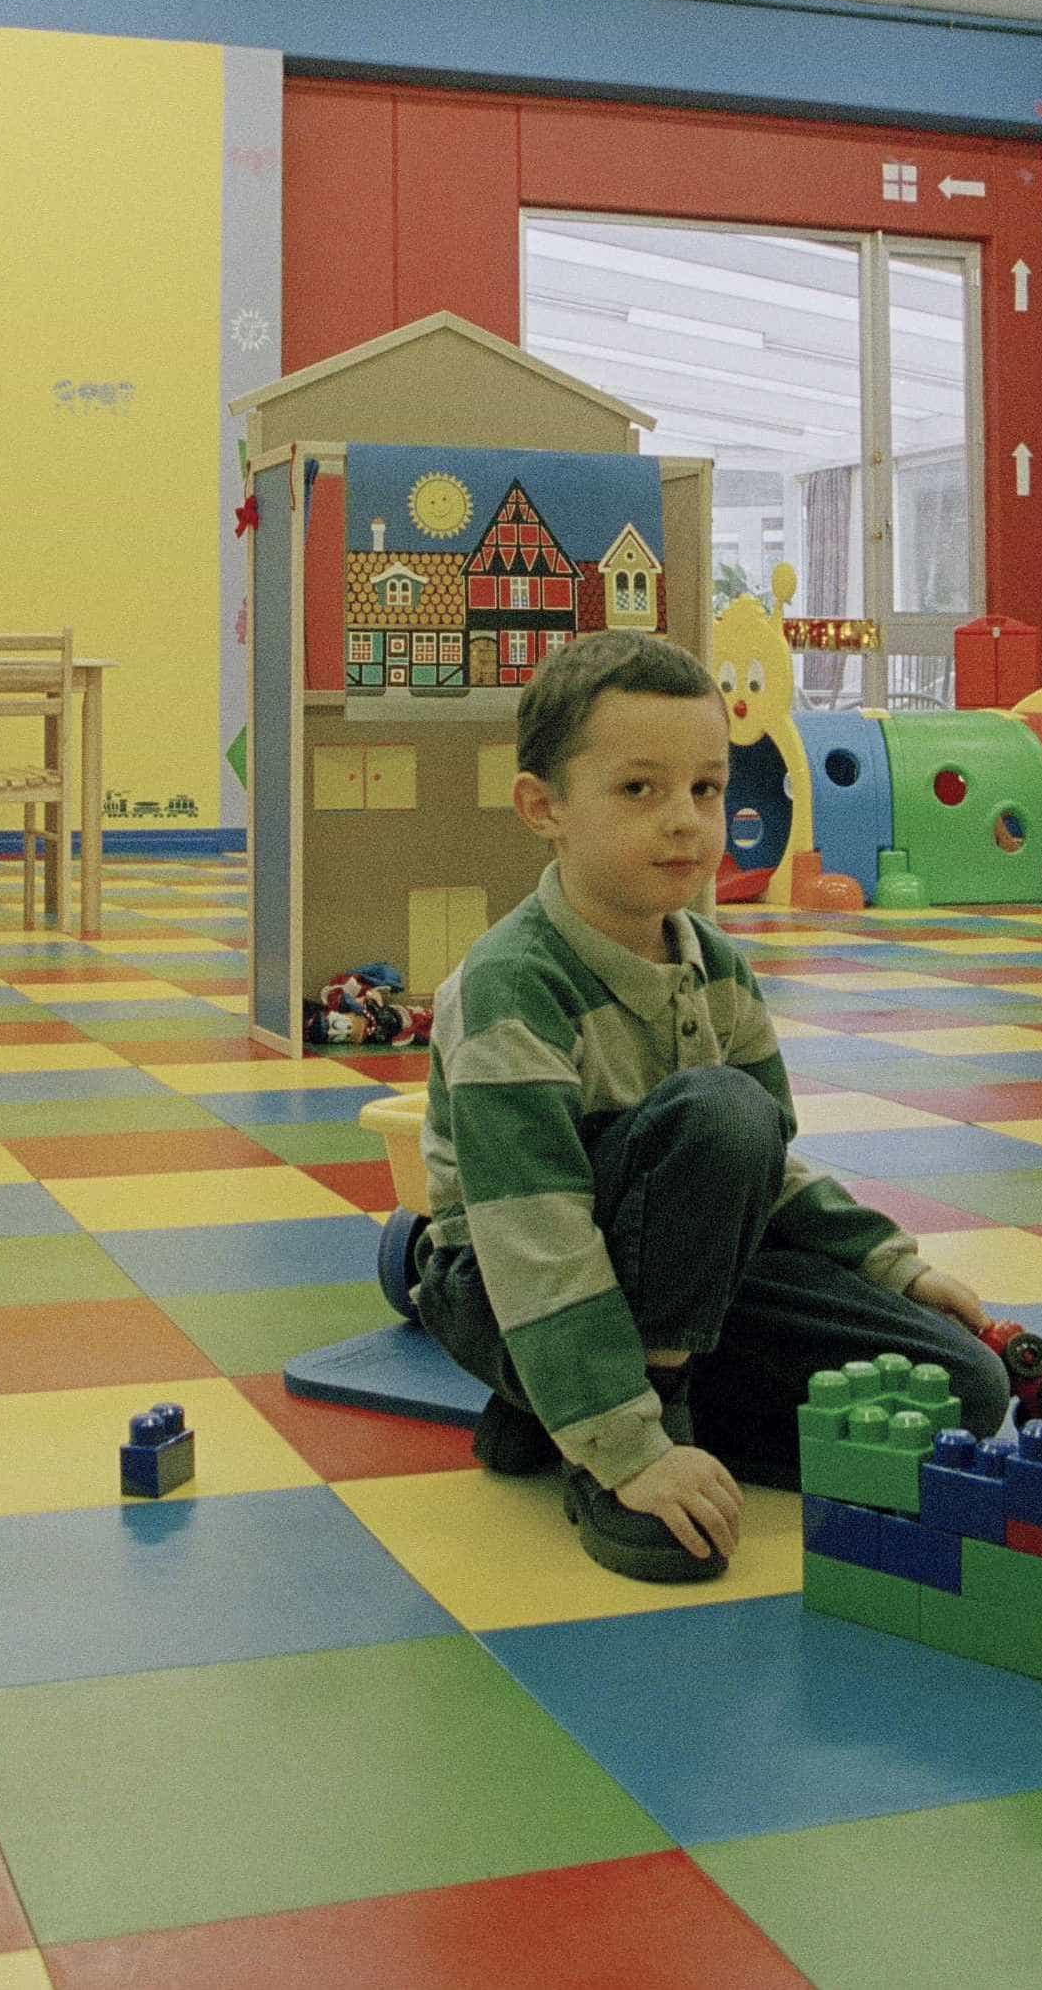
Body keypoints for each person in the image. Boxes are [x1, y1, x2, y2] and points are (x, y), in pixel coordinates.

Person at [411, 629, 1006, 1582]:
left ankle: (586, 1401)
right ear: (543, 806)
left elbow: (769, 1176)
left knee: (964, 1392)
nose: (685, 821)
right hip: (508, 1277)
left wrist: (888, 1263)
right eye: (638, 789)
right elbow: (536, 1237)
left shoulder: (717, 966)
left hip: (685, 1277)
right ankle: (614, 1429)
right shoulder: (511, 988)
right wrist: (630, 1451)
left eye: (706, 788)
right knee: (723, 1112)